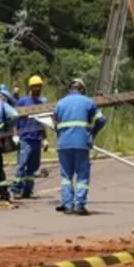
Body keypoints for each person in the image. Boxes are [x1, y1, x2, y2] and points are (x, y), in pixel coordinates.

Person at [52, 78, 107, 215]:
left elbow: (55, 123)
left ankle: (68, 205)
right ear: (82, 89)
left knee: (66, 176)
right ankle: (79, 205)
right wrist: (92, 132)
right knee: (82, 176)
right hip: (82, 143)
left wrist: (60, 134)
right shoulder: (88, 102)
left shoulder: (60, 103)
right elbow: (101, 119)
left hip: (64, 144)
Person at [10, 75, 49, 198]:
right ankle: (16, 189)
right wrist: (15, 135)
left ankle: (28, 190)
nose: (38, 88)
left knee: (33, 166)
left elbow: (43, 122)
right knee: (22, 165)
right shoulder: (23, 102)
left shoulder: (41, 103)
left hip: (36, 139)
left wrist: (45, 138)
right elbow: (14, 119)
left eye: (39, 86)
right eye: (35, 86)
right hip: (25, 138)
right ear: (30, 88)